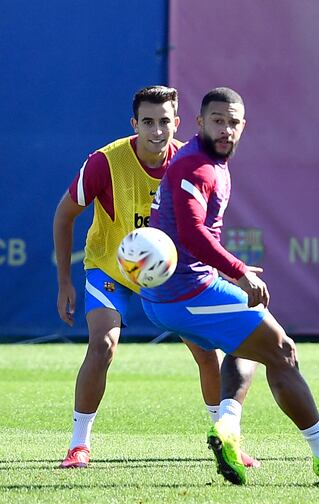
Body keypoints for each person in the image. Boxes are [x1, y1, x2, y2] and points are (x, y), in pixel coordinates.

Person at [141, 87, 319, 485]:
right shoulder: (198, 166)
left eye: (233, 123)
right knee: (283, 352)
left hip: (176, 292)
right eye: (217, 121)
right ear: (200, 123)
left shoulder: (209, 161)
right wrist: (238, 270)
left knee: (246, 345)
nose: (226, 129)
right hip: (185, 293)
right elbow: (191, 233)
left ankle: (228, 430)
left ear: (243, 127)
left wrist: (225, 270)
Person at [53, 86, 259, 469]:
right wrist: (65, 281)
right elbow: (64, 215)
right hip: (112, 267)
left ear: (177, 123)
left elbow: (204, 229)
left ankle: (226, 441)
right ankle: (78, 445)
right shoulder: (104, 162)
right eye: (147, 121)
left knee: (207, 352)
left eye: (165, 121)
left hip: (172, 274)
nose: (157, 130)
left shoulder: (191, 162)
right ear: (134, 124)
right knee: (104, 345)